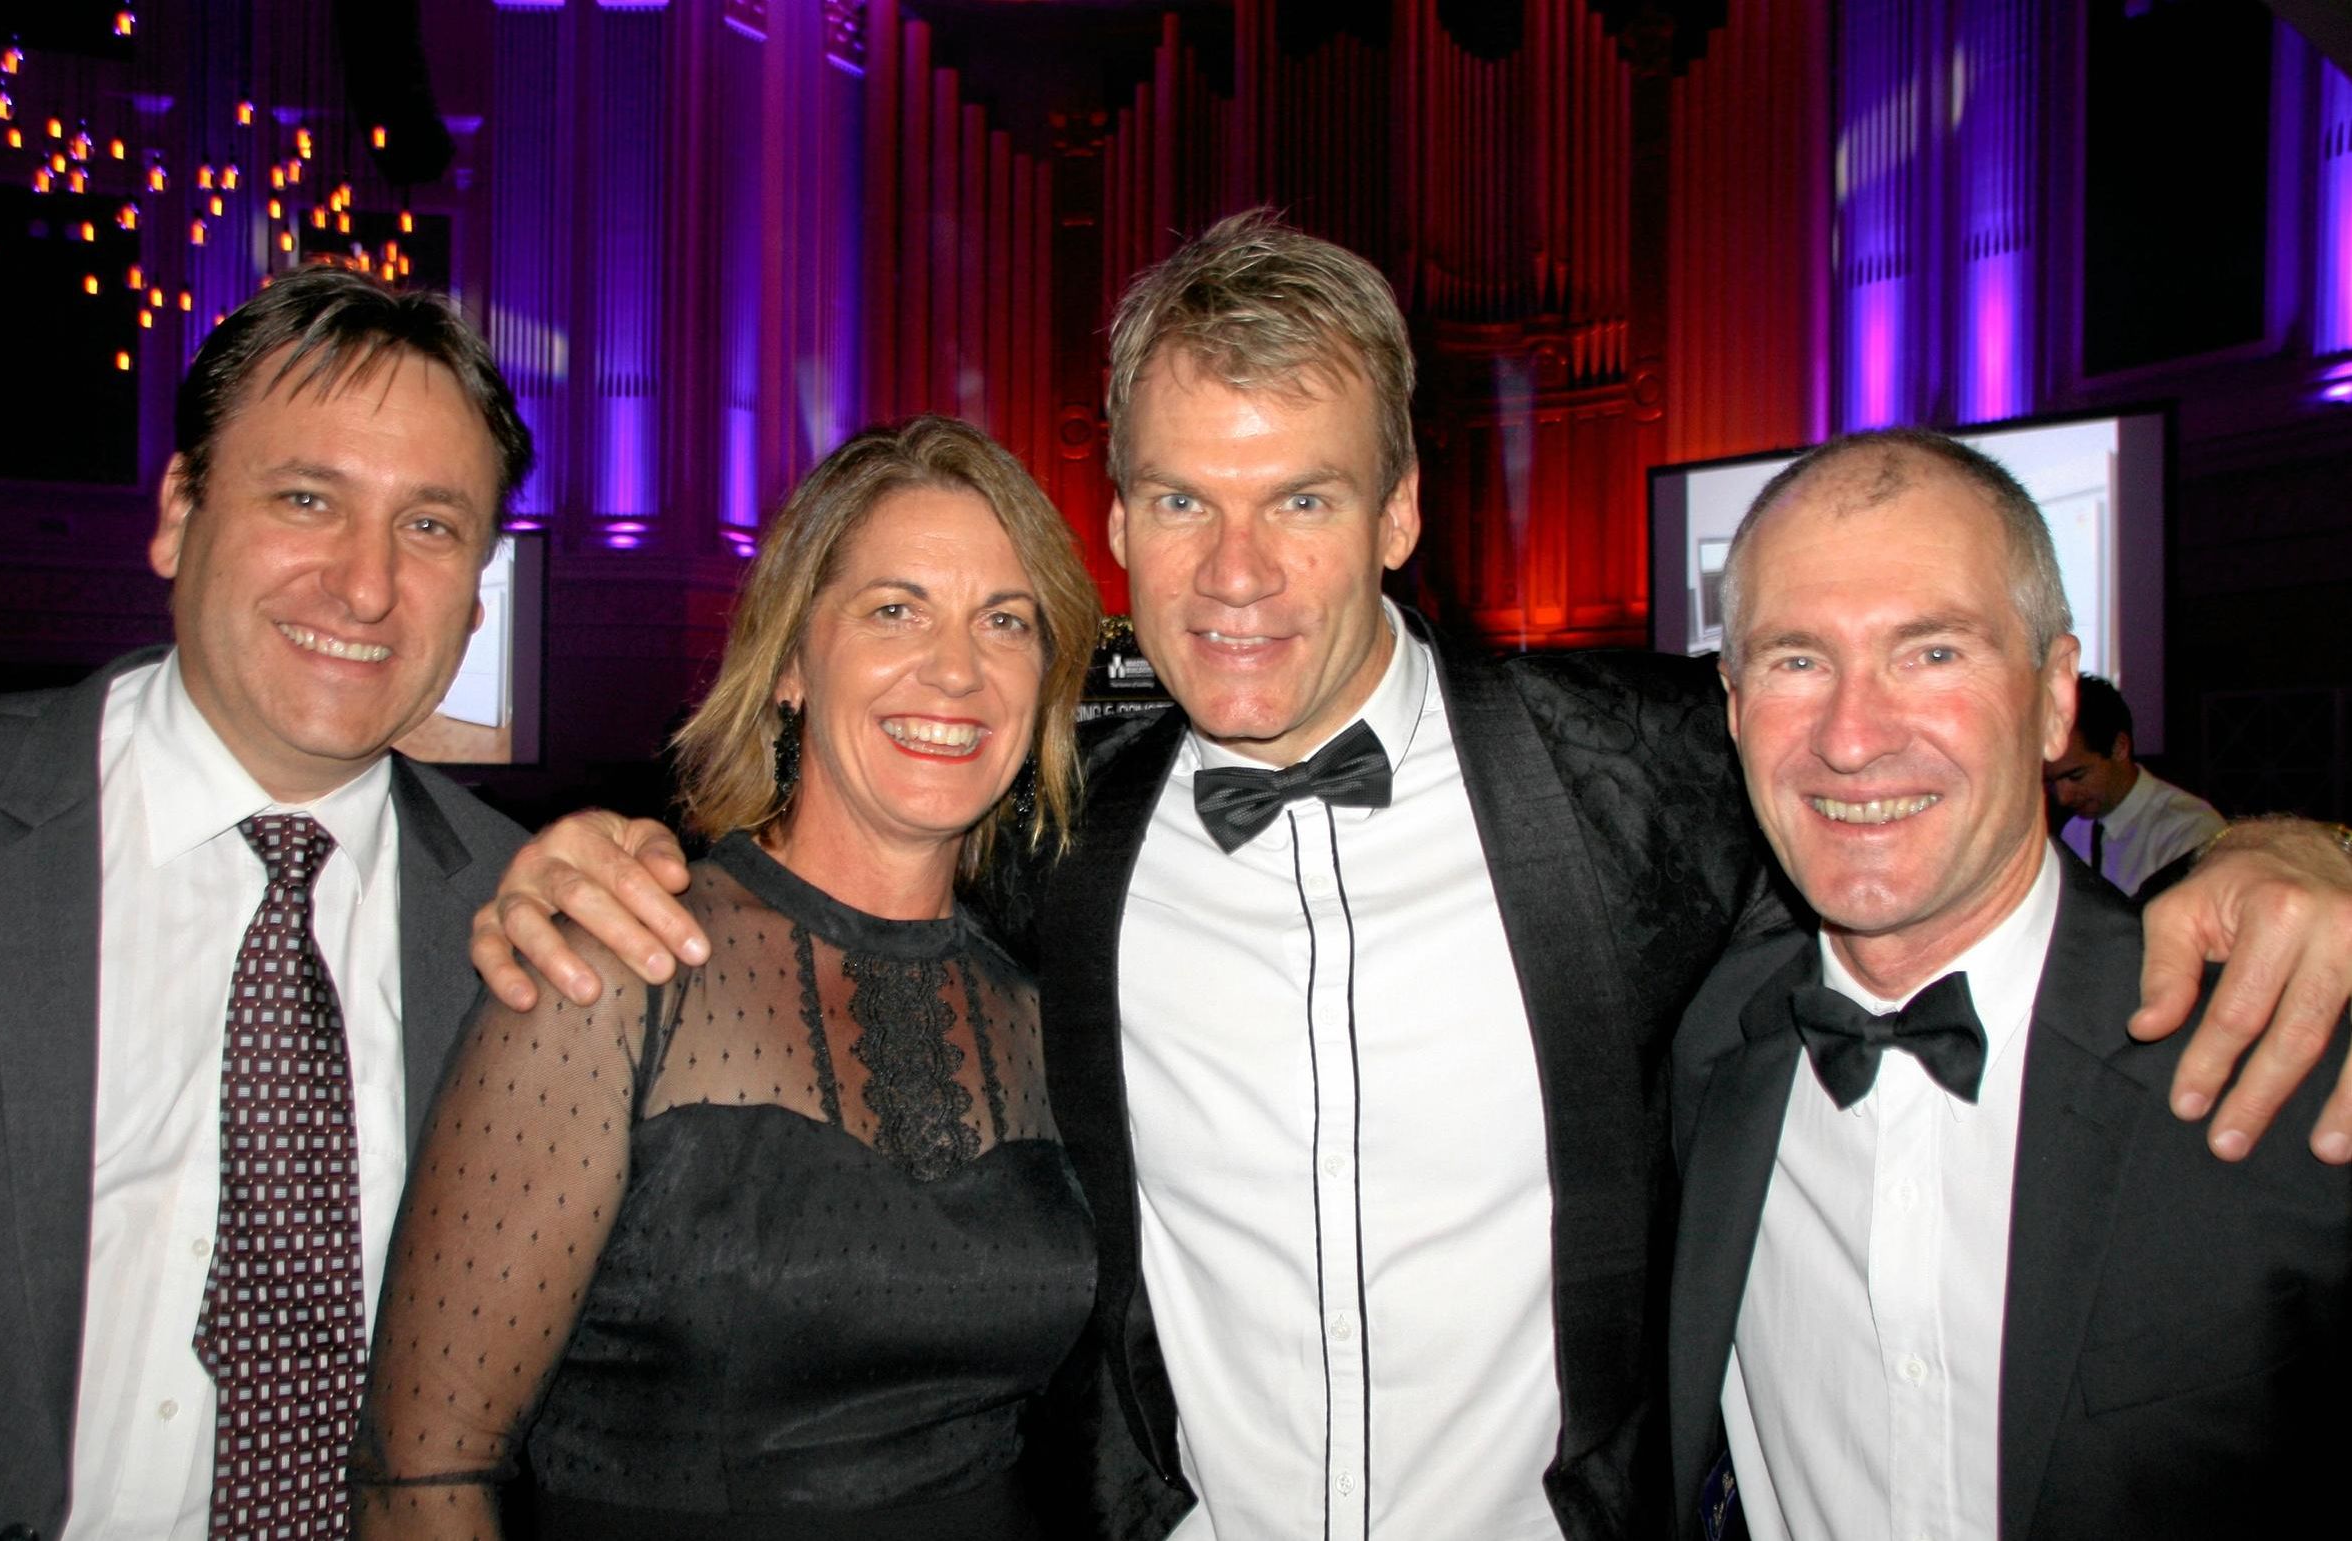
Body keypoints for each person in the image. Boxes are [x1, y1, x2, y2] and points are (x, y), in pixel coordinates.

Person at [470, 214, 2352, 1541]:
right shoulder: (1058, 828)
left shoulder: (1647, 774)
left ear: (1398, 515)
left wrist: (2297, 856)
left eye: (1301, 500)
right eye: (1185, 502)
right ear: (1116, 522)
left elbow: (1904, 794)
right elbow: (833, 849)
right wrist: (603, 858)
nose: (1237, 574)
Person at [0, 264, 534, 1541]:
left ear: (479, 591)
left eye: (429, 526)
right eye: (307, 497)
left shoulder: (525, 929)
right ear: (177, 511)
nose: (365, 586)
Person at [351, 415, 1106, 1539]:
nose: (956, 667)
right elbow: (424, 1471)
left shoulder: (1041, 1005)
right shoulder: (615, 960)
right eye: (895, 609)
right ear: (793, 662)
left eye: (1006, 620)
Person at [1666, 429, 2350, 1539]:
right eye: (1797, 659)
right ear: (1734, 707)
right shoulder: (1699, 1041)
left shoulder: (2282, 1051)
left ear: (2052, 699)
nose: (1852, 736)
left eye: (1932, 652)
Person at [2046, 672, 2225, 896]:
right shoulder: (2075, 830)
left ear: (2119, 748)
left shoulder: (2188, 830)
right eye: (2050, 782)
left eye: (2076, 776)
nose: (2063, 797)